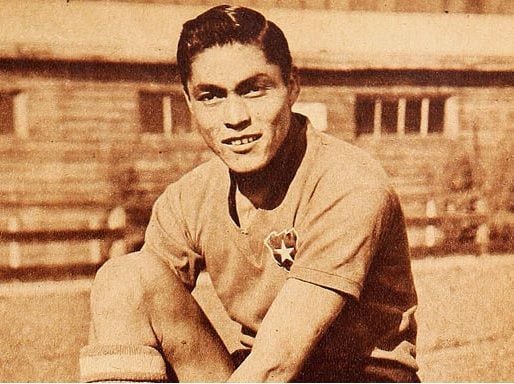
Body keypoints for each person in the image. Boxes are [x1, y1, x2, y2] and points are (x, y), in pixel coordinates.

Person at [80, 5, 419, 382]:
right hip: (256, 371)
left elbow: (278, 363)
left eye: (253, 89)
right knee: (126, 279)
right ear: (189, 102)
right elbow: (128, 320)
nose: (235, 116)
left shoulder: (349, 182)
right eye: (211, 96)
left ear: (292, 85)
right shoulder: (188, 198)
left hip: (355, 376)